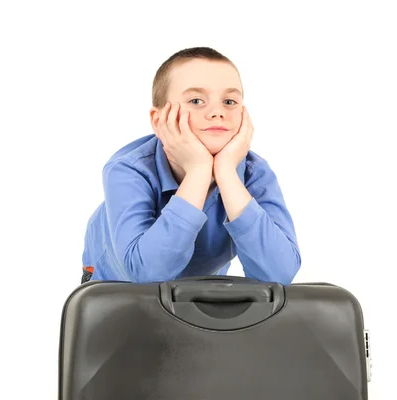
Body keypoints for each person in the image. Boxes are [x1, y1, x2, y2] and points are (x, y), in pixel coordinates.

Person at [80, 47, 301, 285]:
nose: (217, 112)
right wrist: (198, 171)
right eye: (196, 101)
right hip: (115, 292)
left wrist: (226, 173)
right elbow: (146, 276)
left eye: (229, 101)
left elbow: (279, 274)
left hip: (193, 296)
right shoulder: (127, 170)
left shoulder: (255, 173)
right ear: (158, 120)